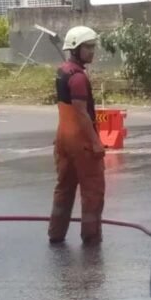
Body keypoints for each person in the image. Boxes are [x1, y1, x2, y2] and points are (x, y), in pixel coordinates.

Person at [51, 26, 107, 245]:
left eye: (93, 47)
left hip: (63, 139)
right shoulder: (78, 78)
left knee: (63, 188)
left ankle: (56, 233)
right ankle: (91, 236)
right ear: (75, 48)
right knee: (93, 191)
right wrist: (96, 142)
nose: (92, 51)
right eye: (88, 47)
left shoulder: (63, 71)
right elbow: (82, 112)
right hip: (81, 142)